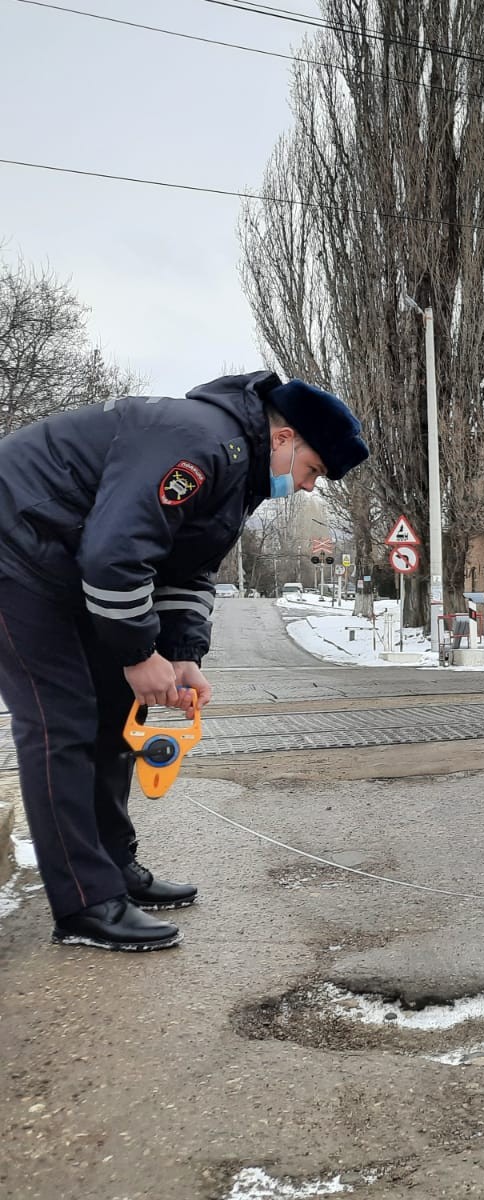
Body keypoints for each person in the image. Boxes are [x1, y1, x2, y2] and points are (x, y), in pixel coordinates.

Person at [0, 371, 369, 950]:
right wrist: (136, 652)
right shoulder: (198, 443)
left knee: (116, 711)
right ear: (285, 438)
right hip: (16, 547)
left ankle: (112, 869)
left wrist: (180, 655)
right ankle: (84, 902)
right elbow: (115, 553)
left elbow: (187, 570)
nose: (308, 488)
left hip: (61, 561)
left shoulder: (237, 475)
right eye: (313, 470)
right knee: (60, 721)